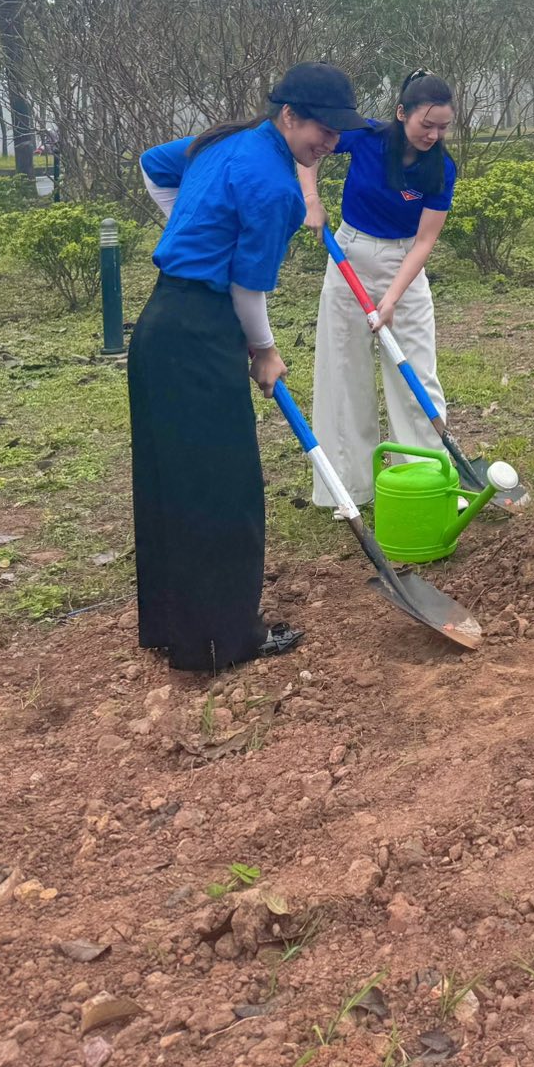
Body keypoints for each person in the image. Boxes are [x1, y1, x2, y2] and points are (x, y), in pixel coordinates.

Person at [134, 63, 367, 671]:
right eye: (324, 128)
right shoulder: (274, 186)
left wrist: (192, 234)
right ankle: (228, 639)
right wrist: (264, 350)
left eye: (339, 134)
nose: (331, 143)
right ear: (288, 115)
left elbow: (152, 165)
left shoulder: (222, 142)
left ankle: (178, 630)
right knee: (226, 488)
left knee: (174, 482)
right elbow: (245, 289)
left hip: (162, 324)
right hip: (202, 329)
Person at [298, 70, 458, 509]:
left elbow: (425, 240)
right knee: (344, 369)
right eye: (427, 124)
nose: (434, 134)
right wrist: (311, 199)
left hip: (402, 265)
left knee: (416, 374)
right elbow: (309, 149)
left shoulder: (442, 167)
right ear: (401, 113)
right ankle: (349, 487)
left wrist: (391, 299)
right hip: (348, 255)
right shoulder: (366, 137)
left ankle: (423, 480)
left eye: (443, 127)